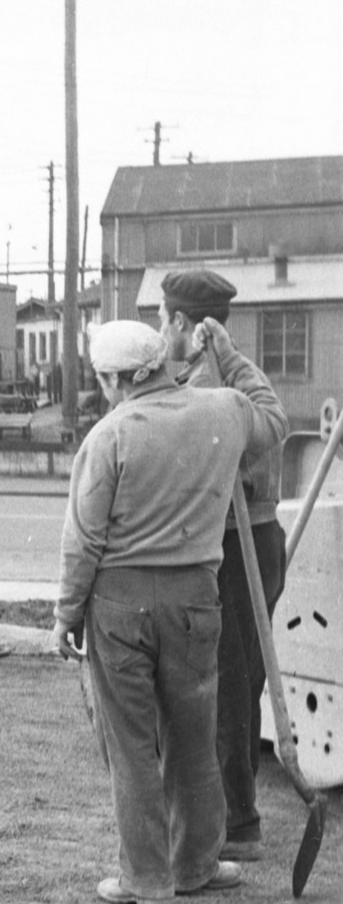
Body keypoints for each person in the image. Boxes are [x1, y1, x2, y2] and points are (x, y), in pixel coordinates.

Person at [48, 319, 271, 904]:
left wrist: (66, 614)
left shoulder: (109, 437)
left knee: (132, 746)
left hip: (119, 605)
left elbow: (83, 541)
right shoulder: (225, 408)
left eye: (103, 380)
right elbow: (271, 418)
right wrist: (231, 356)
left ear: (118, 379)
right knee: (194, 739)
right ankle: (196, 865)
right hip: (196, 597)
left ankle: (147, 880)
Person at [158, 267, 290, 855]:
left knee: (231, 686)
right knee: (240, 681)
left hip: (240, 546)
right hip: (253, 544)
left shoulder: (215, 384)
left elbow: (264, 426)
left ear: (183, 323)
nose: (160, 333)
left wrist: (220, 368)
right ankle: (234, 811)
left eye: (163, 321)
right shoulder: (234, 373)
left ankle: (239, 824)